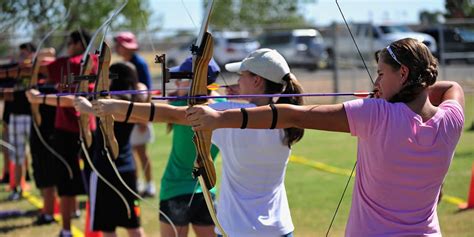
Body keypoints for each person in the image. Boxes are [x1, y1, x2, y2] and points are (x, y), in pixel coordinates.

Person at [186, 38, 465, 236]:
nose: (376, 83)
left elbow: (293, 114)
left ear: (403, 73)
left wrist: (221, 118)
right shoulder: (452, 118)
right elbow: (452, 86)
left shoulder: (376, 114)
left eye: (381, 74)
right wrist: (410, 91)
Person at [92, 49, 303, 237]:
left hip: (237, 230)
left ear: (257, 81)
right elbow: (261, 112)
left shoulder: (227, 116)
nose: (236, 81)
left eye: (242, 76)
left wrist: (114, 107)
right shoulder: (288, 118)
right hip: (280, 229)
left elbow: (171, 114)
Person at [26, 29, 97, 237]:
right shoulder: (94, 60)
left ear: (76, 43)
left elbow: (37, 68)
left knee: (66, 181)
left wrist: (39, 59)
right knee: (92, 178)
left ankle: (66, 231)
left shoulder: (63, 63)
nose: (68, 45)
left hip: (67, 130)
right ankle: (94, 225)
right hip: (89, 128)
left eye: (70, 42)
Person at [74, 62, 146, 237]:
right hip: (126, 169)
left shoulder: (115, 103)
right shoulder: (136, 99)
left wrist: (85, 106)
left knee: (110, 228)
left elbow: (106, 110)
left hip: (106, 171)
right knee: (132, 225)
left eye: (107, 76)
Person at [114, 32, 155, 197]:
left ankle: (150, 185)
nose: (117, 48)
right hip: (130, 114)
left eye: (119, 44)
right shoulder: (127, 62)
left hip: (139, 116)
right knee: (130, 151)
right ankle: (136, 183)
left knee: (141, 152)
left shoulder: (139, 63)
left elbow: (146, 91)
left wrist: (143, 118)